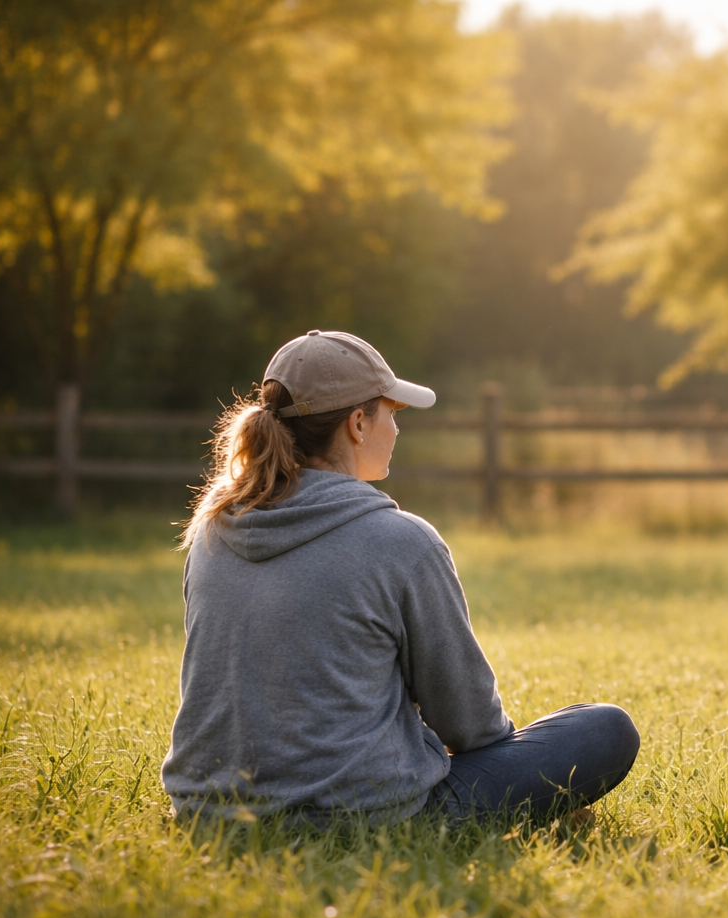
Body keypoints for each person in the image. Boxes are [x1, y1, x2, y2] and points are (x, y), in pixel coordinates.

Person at [161, 330, 640, 825]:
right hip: (362, 814)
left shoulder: (211, 532)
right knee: (604, 730)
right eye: (392, 413)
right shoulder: (403, 542)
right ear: (358, 423)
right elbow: (472, 727)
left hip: (209, 810)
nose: (397, 428)